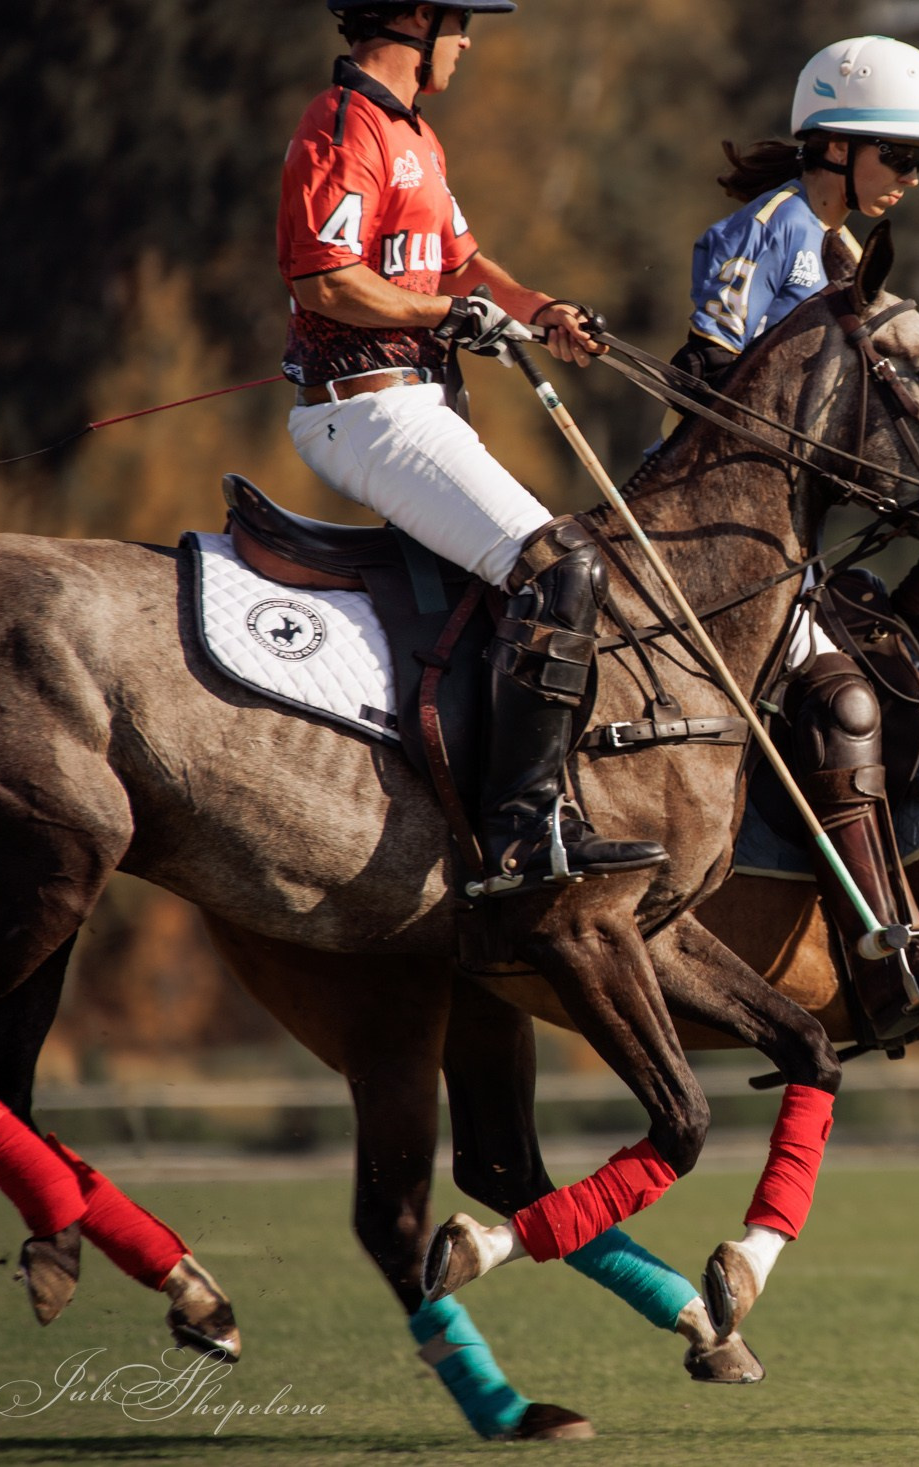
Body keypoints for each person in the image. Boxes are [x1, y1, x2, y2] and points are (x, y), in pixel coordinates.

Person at [279, 2, 664, 892]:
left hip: (421, 406)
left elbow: (462, 267)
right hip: (363, 410)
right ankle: (524, 832)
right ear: (416, 19)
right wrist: (446, 316)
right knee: (560, 569)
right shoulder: (343, 126)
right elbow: (326, 282)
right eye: (460, 21)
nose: (468, 40)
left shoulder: (415, 134)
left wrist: (540, 312)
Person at [684, 37, 919, 1034]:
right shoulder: (761, 232)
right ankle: (885, 942)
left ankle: (888, 944)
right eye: (901, 156)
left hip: (796, 540)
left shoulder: (850, 253)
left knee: (861, 690)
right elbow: (712, 385)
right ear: (836, 146)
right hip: (717, 533)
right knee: (840, 695)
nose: (913, 178)